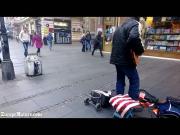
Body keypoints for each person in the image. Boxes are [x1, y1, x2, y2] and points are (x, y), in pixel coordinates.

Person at [110, 17, 145, 100]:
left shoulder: (121, 26)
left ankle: (119, 101)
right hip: (126, 58)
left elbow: (114, 40)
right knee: (134, 80)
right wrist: (139, 51)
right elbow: (133, 37)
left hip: (116, 58)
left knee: (120, 79)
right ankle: (132, 103)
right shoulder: (135, 24)